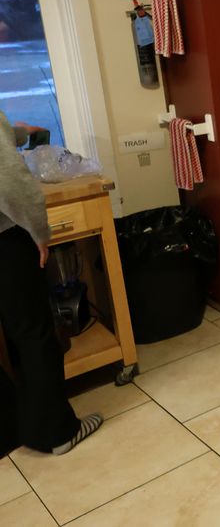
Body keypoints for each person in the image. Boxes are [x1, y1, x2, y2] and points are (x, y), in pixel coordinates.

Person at [0, 110, 103, 457]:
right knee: (36, 333)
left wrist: (15, 133)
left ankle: (30, 427)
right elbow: (10, 179)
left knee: (17, 334)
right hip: (5, 237)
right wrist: (39, 232)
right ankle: (60, 432)